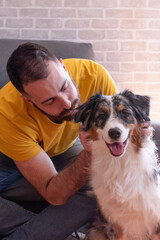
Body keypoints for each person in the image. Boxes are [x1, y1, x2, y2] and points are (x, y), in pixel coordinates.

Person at [0, 42, 150, 240]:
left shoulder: (94, 75)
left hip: (62, 150)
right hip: (7, 161)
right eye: (49, 101)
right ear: (28, 100)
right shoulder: (7, 114)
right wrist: (91, 151)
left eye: (65, 86)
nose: (67, 102)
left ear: (63, 66)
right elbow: (54, 195)